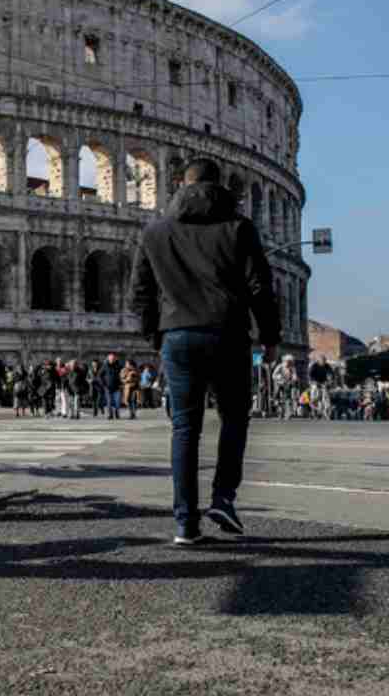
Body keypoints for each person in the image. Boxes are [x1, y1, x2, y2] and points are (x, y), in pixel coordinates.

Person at [131, 158, 280, 545]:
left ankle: (185, 524)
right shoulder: (239, 228)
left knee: (185, 428)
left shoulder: (155, 232)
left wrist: (156, 336)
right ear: (219, 186)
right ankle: (223, 498)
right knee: (234, 418)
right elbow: (259, 286)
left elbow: (140, 295)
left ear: (181, 184)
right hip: (228, 332)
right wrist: (270, 335)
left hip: (177, 334)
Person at [98, 352, 124, 419]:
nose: (112, 359)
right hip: (108, 387)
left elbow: (123, 375)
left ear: (115, 359)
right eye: (111, 358)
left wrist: (122, 383)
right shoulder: (105, 366)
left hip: (117, 387)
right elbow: (100, 375)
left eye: (113, 358)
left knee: (117, 402)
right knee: (109, 402)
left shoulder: (119, 366)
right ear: (108, 359)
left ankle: (117, 412)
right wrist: (103, 384)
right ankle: (110, 414)